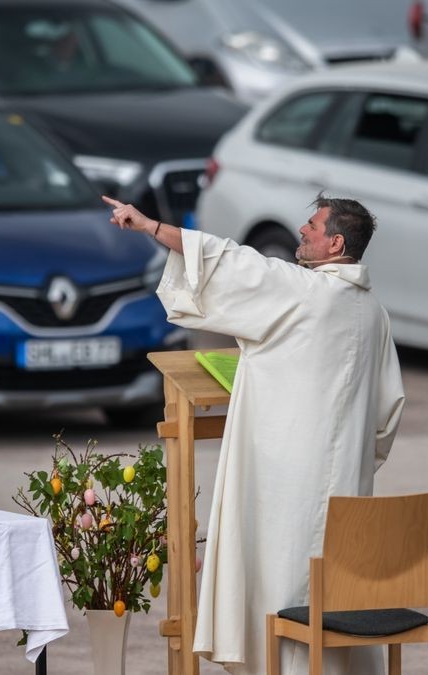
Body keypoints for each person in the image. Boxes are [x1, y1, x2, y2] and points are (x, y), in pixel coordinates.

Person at [102, 194, 406, 675]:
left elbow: (227, 261)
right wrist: (350, 460)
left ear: (336, 243)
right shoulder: (376, 315)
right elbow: (388, 414)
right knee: (327, 591)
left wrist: (148, 226)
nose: (301, 232)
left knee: (283, 585)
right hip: (346, 487)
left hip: (282, 484)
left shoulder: (304, 290)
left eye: (312, 226)